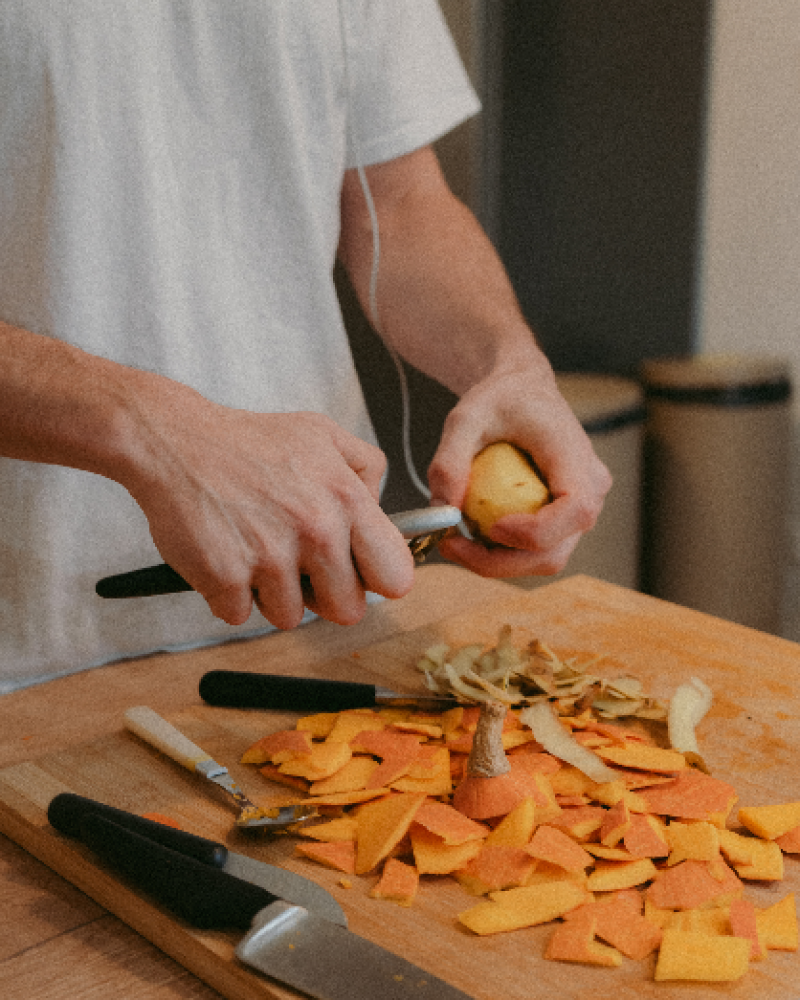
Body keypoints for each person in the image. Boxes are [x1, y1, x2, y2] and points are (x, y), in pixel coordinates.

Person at [0, 1, 611, 693]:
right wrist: (151, 430)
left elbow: (399, 200)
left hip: (326, 620)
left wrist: (510, 363)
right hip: (25, 657)